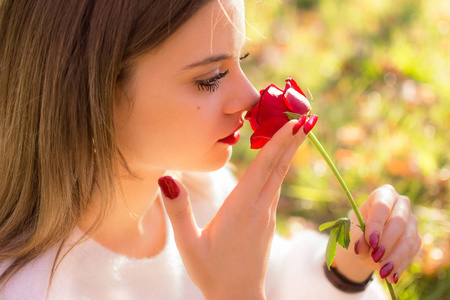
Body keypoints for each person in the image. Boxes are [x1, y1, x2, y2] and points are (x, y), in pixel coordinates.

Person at [0, 0, 421, 299]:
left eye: (242, 58)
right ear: (87, 95)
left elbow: (274, 279)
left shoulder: (202, 191)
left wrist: (346, 270)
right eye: (211, 77)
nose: (250, 95)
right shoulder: (29, 288)